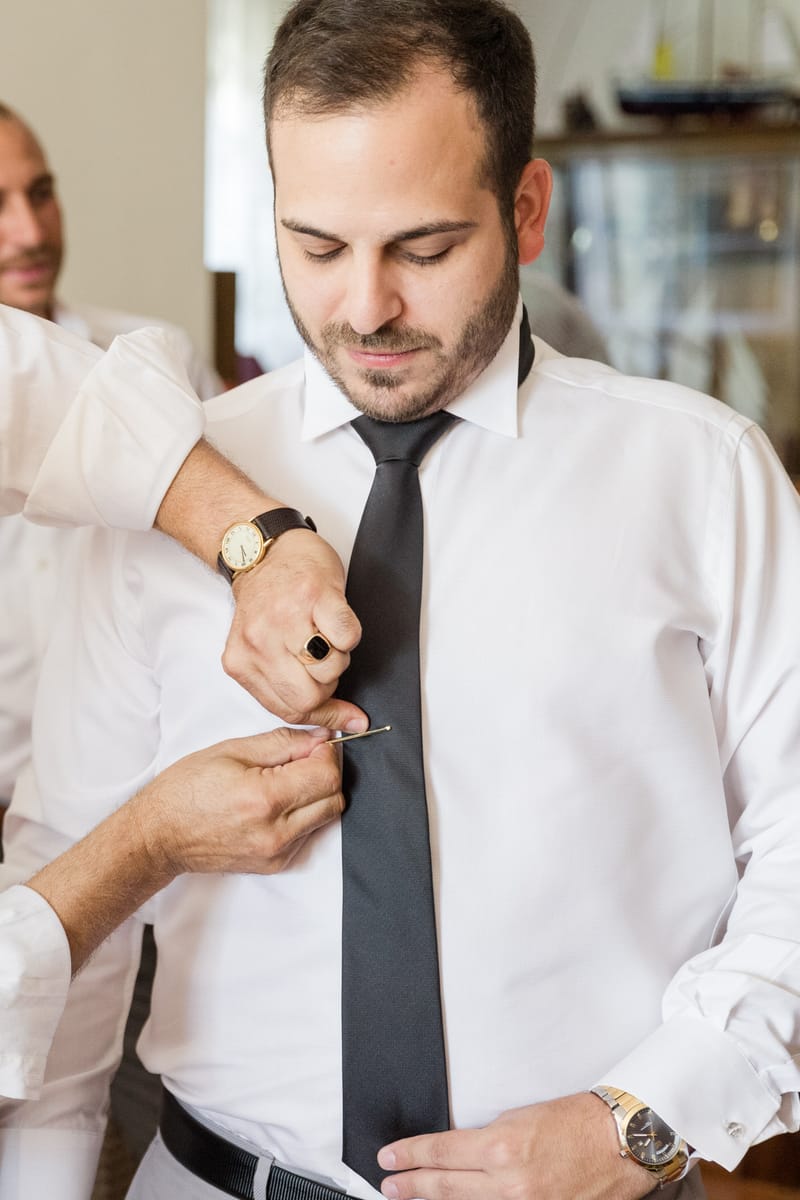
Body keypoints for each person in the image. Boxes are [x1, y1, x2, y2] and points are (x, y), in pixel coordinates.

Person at [3, 3, 800, 1200]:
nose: (365, 308)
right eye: (315, 246)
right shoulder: (169, 503)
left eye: (422, 249)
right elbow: (74, 917)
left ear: (525, 209)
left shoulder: (700, 478)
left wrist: (643, 1122)